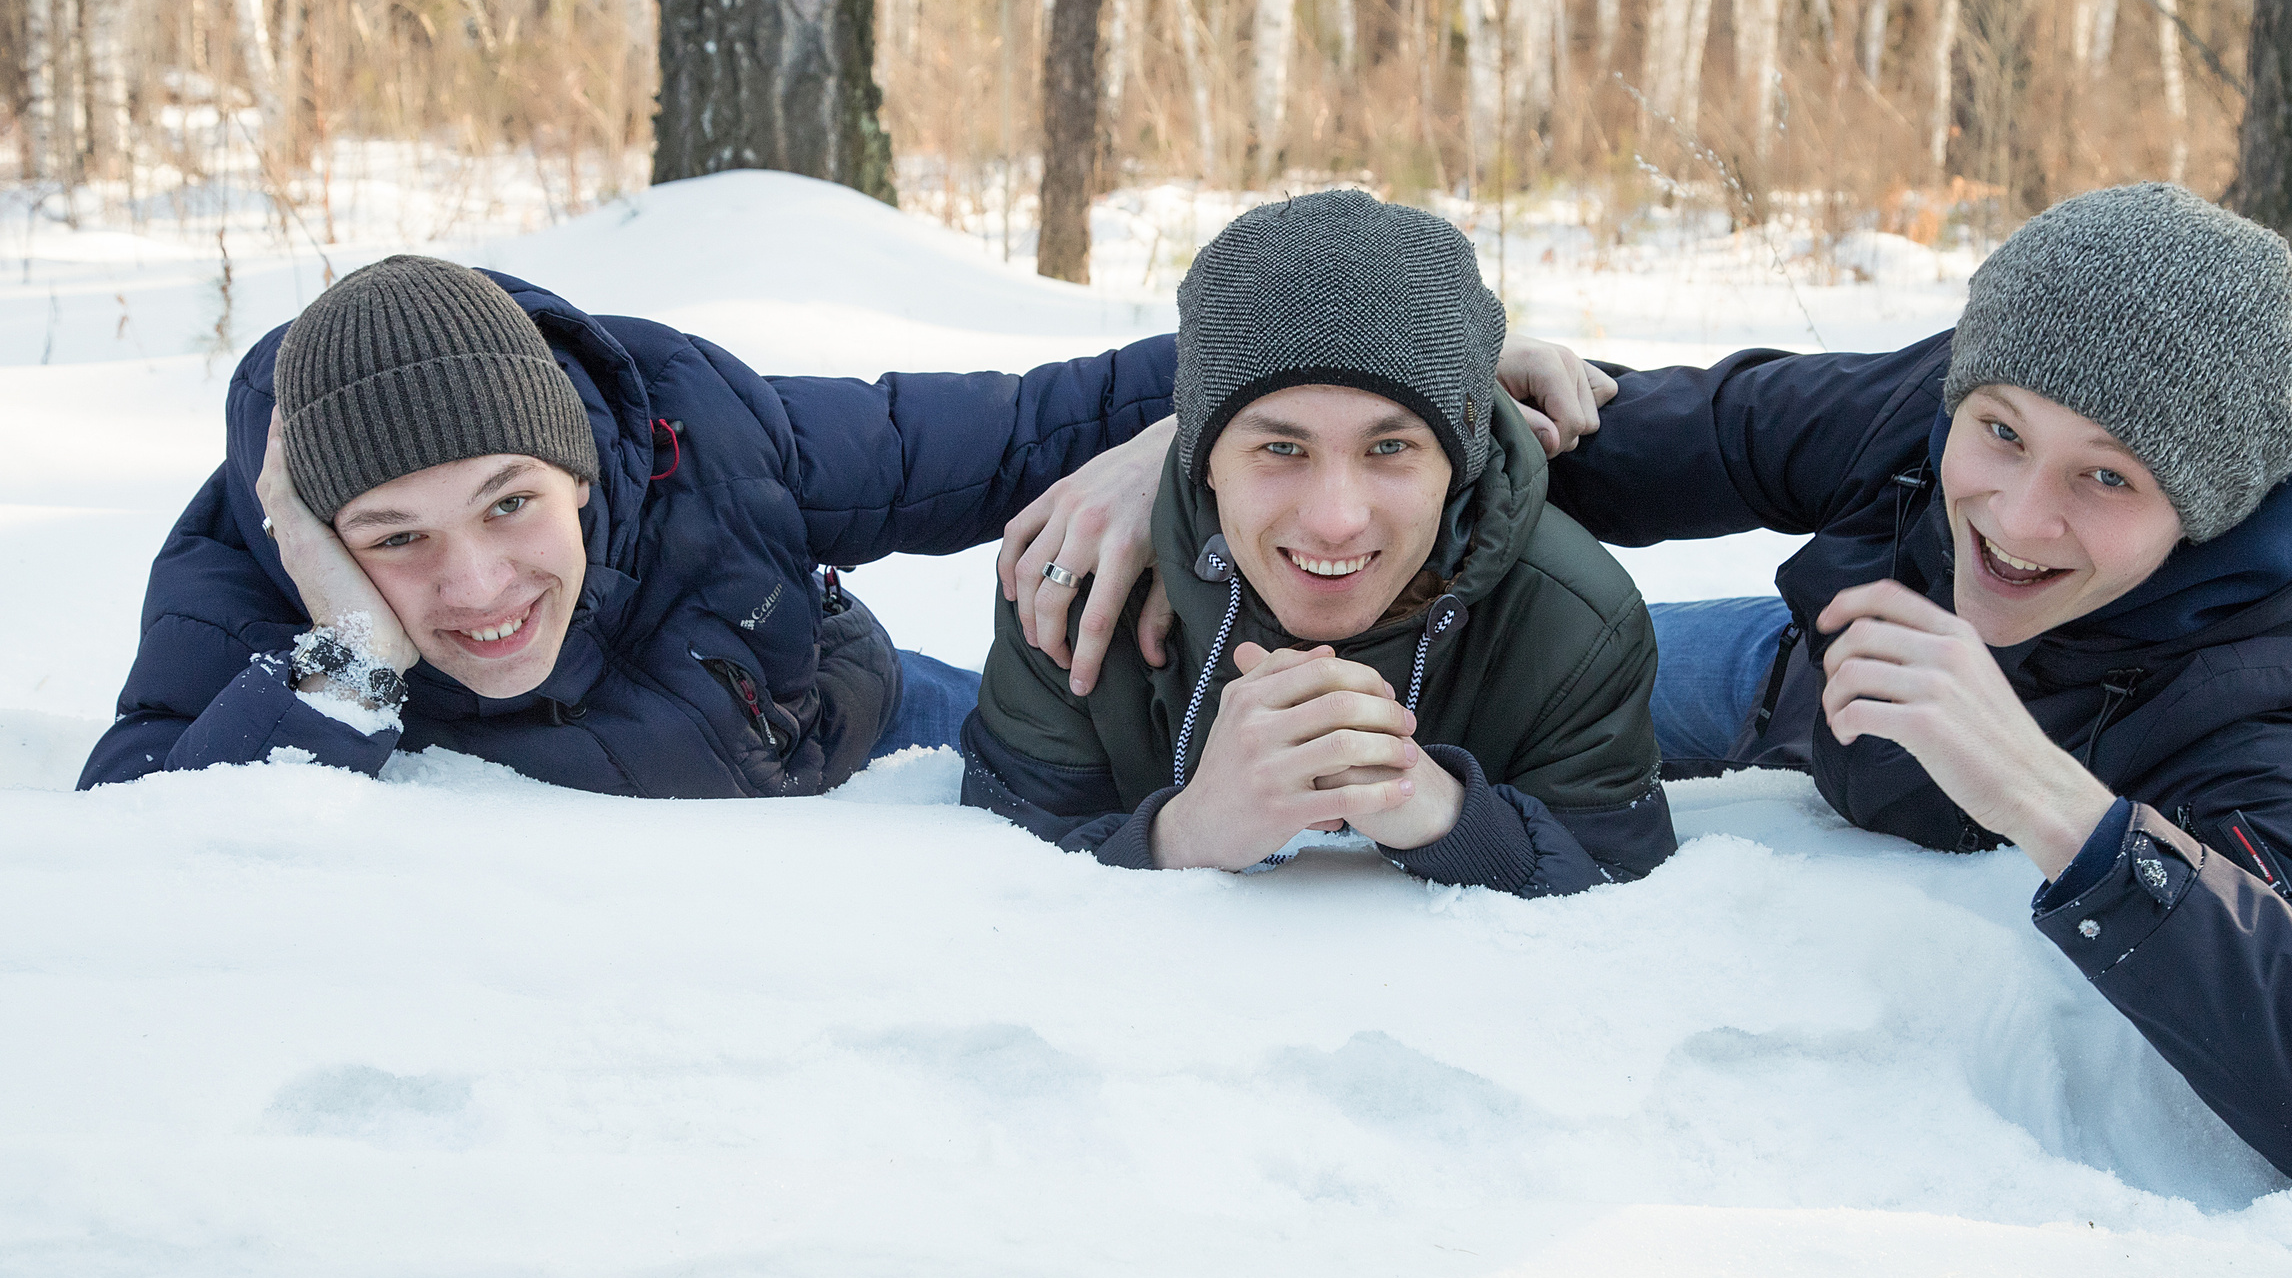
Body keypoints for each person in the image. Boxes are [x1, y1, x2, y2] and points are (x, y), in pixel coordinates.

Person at [1539, 183, 2292, 1191]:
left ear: (2205, 510)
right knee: (1490, 670)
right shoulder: (1984, 389)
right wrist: (1473, 406)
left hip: (1995, 775)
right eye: (2000, 433)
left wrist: (2054, 805)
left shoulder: (2251, 711)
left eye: (2108, 477)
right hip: (1800, 673)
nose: (2016, 516)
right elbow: (1718, 433)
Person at [82, 253, 1607, 799]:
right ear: (321, 534)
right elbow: (143, 828)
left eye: (509, 503)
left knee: (1392, 706)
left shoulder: (704, 437)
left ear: (584, 468)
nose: (477, 583)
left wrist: (1417, 368)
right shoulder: (252, 573)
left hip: (867, 711)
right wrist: (349, 652)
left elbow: (1035, 418)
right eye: (395, 539)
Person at [960, 190, 1675, 895]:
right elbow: (993, 892)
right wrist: (1182, 835)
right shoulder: (1079, 589)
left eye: (1390, 447)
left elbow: (1625, 909)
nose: (1336, 520)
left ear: (1459, 462)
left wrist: (1447, 814)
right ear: (1204, 457)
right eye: (1281, 448)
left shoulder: (1577, 625)